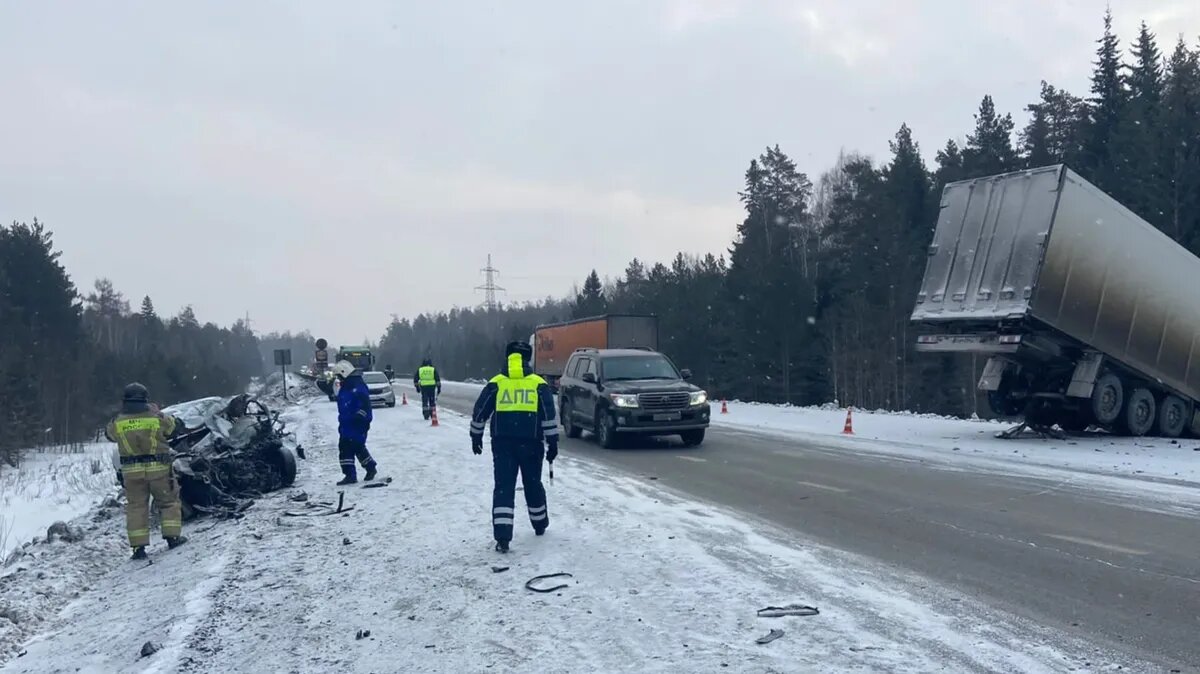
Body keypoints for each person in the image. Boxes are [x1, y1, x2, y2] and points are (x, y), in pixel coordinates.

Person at [469, 341, 559, 553]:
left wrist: (476, 435)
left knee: (503, 488)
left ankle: (503, 537)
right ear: (527, 360)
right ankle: (539, 524)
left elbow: (480, 410)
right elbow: (548, 416)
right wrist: (552, 442)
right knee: (533, 484)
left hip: (503, 444)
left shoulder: (496, 382)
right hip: (532, 444)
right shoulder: (538, 384)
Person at [105, 383, 186, 560]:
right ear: (145, 399)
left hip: (132, 473)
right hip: (159, 469)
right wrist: (158, 412)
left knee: (136, 507)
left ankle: (138, 548)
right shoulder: (156, 418)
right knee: (168, 502)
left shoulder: (118, 422)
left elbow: (109, 434)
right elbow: (174, 428)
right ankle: (172, 537)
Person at [333, 360, 379, 485]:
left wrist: (359, 417)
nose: (338, 378)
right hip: (347, 422)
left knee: (352, 446)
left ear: (345, 373)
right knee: (351, 446)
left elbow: (364, 405)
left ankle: (359, 472)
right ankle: (361, 470)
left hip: (357, 422)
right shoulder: (347, 386)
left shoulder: (357, 386)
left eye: (339, 376)